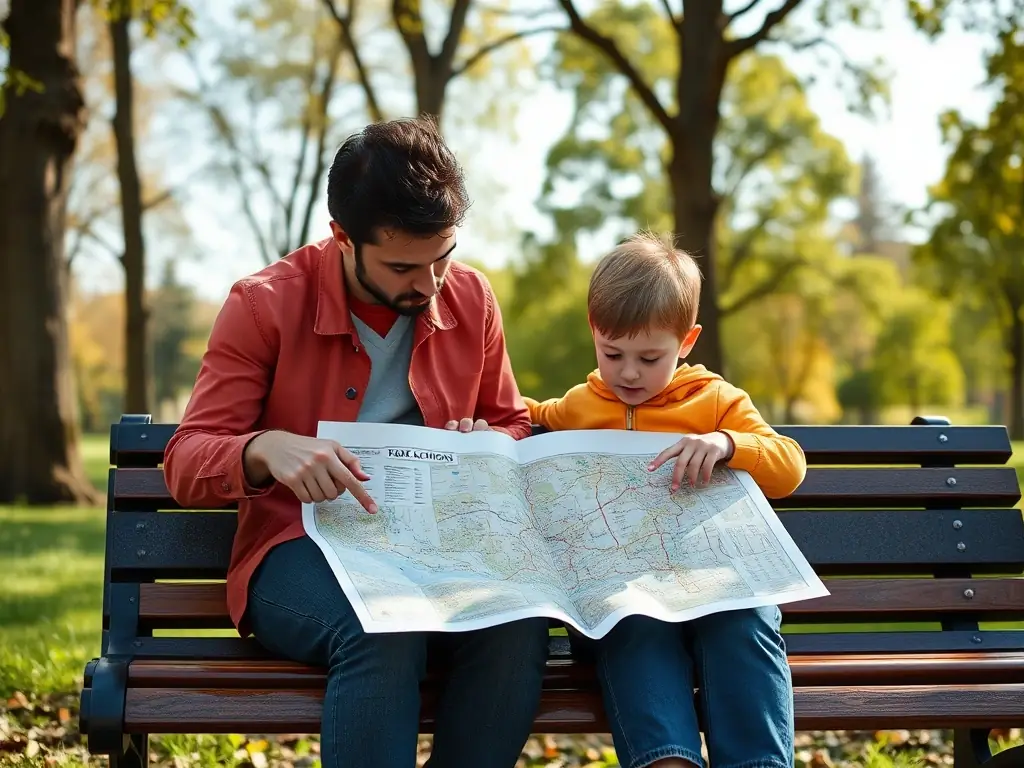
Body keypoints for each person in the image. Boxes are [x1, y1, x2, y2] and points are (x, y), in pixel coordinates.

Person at [163, 117, 550, 768]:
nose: (429, 287)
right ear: (342, 237)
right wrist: (264, 449)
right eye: (403, 266)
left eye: (443, 258)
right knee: (382, 627)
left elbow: (510, 421)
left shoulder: (473, 298)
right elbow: (186, 457)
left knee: (517, 626)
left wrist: (487, 441)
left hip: (441, 548)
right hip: (301, 549)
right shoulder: (263, 305)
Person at [525, 231, 806, 768]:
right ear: (594, 332)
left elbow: (789, 464)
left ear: (688, 340)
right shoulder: (582, 405)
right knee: (634, 628)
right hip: (627, 595)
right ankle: (667, 760)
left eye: (650, 357)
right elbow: (528, 415)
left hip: (713, 587)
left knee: (745, 622)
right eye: (613, 353)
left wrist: (728, 443)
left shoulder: (717, 401)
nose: (628, 373)